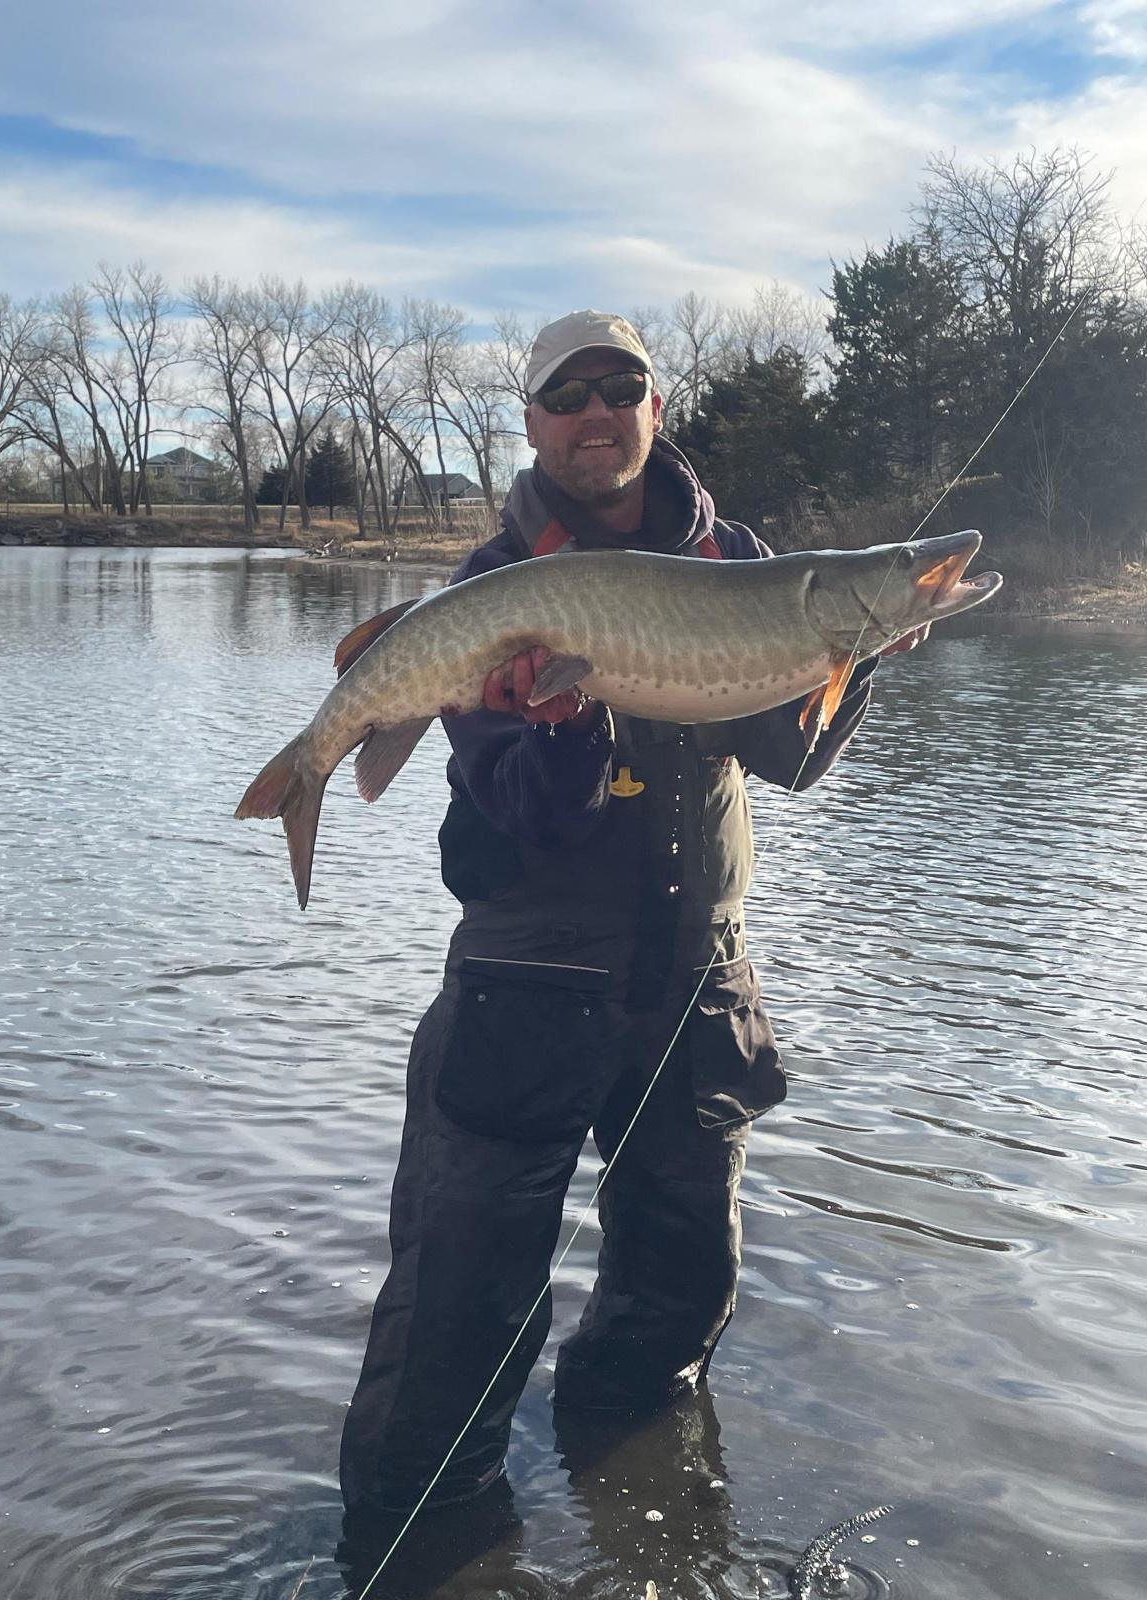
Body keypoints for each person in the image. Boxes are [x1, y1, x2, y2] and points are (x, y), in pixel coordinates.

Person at [339, 309, 924, 1517]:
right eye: (570, 394)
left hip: (695, 984)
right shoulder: (494, 590)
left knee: (674, 1298)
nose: (598, 412)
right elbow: (525, 821)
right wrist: (560, 727)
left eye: (623, 386)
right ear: (536, 421)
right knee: (458, 1318)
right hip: (525, 986)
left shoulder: (743, 561)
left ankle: (638, 1517)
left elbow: (790, 756)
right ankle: (427, 1539)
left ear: (658, 407)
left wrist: (856, 648)